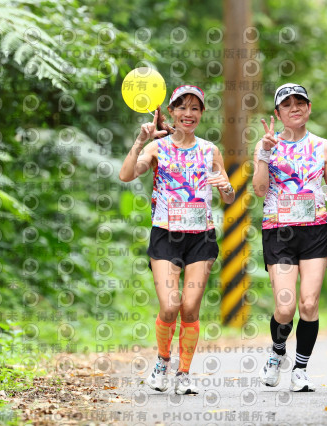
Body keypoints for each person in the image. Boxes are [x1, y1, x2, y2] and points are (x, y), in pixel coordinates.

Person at [119, 85, 235, 395]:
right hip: (166, 236)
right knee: (170, 306)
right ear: (171, 112)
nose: (188, 113)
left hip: (201, 237)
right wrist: (140, 141)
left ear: (201, 114)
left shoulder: (210, 150)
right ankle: (162, 362)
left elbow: (228, 195)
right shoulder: (157, 148)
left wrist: (225, 187)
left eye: (195, 108)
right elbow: (126, 175)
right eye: (182, 107)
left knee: (190, 307)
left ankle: (183, 374)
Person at [252, 83, 327, 392]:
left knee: (309, 303)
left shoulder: (324, 147)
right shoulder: (267, 145)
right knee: (285, 306)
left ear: (309, 108)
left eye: (300, 102)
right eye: (287, 104)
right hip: (279, 231)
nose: (295, 108)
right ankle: (277, 352)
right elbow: (260, 190)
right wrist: (264, 154)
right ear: (277, 113)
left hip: (314, 231)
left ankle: (300, 370)